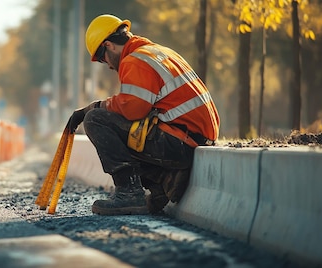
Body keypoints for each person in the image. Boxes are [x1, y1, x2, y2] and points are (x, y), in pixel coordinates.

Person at [66, 14, 220, 215]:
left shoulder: (135, 61)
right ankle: (163, 182)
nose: (109, 66)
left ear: (109, 45)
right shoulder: (159, 52)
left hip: (180, 142)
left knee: (97, 120)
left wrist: (92, 108)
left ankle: (129, 193)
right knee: (124, 124)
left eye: (103, 59)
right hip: (194, 138)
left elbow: (133, 109)